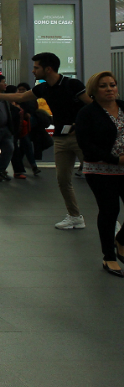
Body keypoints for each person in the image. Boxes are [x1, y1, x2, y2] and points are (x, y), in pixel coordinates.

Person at [0, 52, 92, 229]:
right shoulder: (43, 88)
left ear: (48, 69)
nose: (33, 71)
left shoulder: (72, 84)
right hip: (60, 138)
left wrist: (79, 124)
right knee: (63, 180)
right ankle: (75, 216)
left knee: (95, 178)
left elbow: (90, 105)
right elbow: (20, 97)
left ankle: (111, 220)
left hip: (80, 138)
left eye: (36, 67)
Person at [76, 72, 124, 277]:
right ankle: (109, 257)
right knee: (110, 210)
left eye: (112, 85)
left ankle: (121, 239)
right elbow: (86, 145)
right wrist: (115, 159)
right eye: (103, 86)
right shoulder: (88, 113)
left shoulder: (123, 107)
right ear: (94, 91)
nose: (109, 89)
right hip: (100, 170)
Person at [8, 84, 40, 179]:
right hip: (17, 129)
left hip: (24, 128)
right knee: (20, 147)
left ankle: (25, 167)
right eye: (19, 90)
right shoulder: (14, 102)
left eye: (23, 89)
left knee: (23, 146)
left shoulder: (30, 101)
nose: (21, 91)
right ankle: (26, 167)